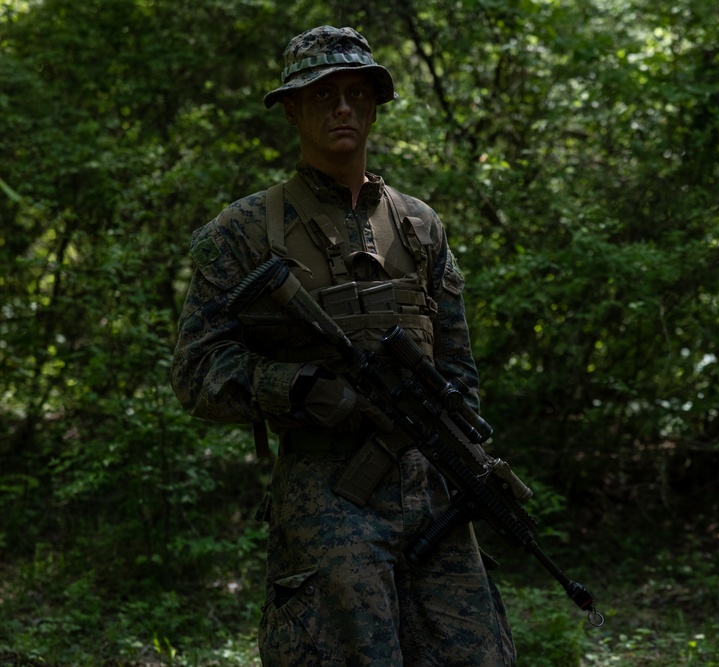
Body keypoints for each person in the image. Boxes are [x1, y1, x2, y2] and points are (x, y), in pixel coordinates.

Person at [171, 25, 515, 666]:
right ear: (292, 109)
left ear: (376, 105)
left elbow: (457, 365)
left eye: (358, 93)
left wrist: (459, 449)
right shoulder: (243, 232)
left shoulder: (419, 225)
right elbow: (198, 370)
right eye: (324, 94)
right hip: (327, 498)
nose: (343, 108)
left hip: (432, 483)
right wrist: (302, 388)